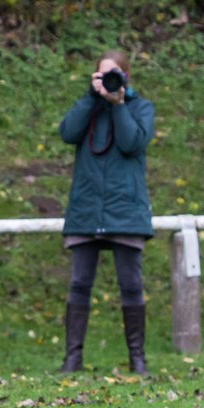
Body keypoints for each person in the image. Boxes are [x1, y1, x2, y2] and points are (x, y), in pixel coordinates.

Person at [57, 49, 156, 374]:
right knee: (79, 283)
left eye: (114, 74)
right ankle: (72, 359)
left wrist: (118, 105)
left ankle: (137, 360)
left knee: (130, 284)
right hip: (87, 209)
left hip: (125, 209)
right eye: (102, 74)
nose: (109, 80)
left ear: (126, 76)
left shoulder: (141, 108)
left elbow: (131, 143)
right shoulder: (88, 108)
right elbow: (67, 133)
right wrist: (91, 97)